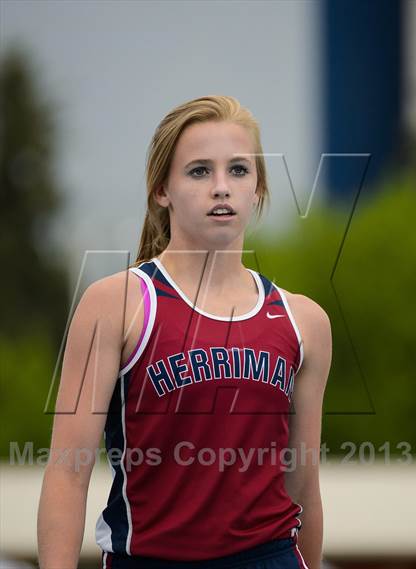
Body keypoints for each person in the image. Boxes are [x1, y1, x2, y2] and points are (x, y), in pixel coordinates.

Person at [37, 95, 332, 569]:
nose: (221, 187)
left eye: (239, 170)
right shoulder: (118, 304)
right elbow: (67, 473)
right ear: (162, 190)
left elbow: (303, 484)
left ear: (258, 187)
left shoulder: (304, 321)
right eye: (199, 171)